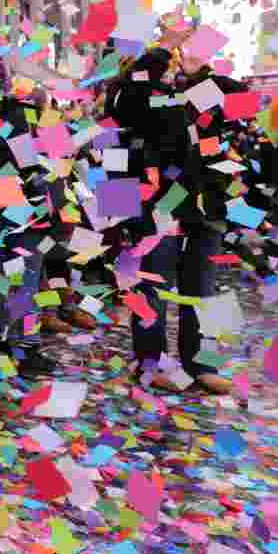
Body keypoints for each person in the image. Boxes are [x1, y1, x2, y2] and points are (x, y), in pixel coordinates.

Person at [106, 48, 231, 394]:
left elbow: (239, 97)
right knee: (152, 287)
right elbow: (117, 137)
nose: (175, 68)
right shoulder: (136, 99)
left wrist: (200, 72)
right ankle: (150, 361)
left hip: (207, 207)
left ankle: (203, 364)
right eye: (169, 66)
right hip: (162, 208)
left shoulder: (200, 95)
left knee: (205, 292)